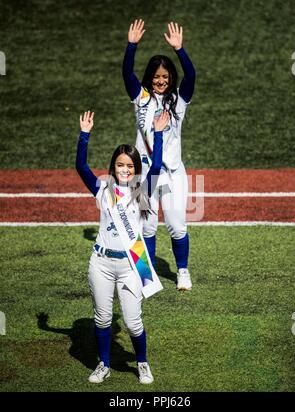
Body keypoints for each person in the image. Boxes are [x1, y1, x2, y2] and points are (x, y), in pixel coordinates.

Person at [76, 110, 169, 384]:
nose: (125, 170)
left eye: (129, 166)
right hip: (101, 263)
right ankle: (103, 364)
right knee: (103, 319)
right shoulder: (102, 190)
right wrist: (84, 135)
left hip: (134, 262)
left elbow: (157, 166)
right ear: (113, 167)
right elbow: (80, 167)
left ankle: (142, 363)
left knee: (132, 322)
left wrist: (158, 133)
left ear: (135, 169)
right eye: (119, 166)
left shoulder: (142, 190)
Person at [122, 19, 196, 291]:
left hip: (173, 173)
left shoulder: (179, 99)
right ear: (149, 77)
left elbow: (192, 77)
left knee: (177, 225)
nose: (161, 81)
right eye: (156, 76)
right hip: (144, 174)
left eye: (165, 77)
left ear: (171, 79)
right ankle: (145, 277)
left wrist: (180, 50)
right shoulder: (140, 97)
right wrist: (131, 45)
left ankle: (183, 271)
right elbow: (126, 73)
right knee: (147, 227)